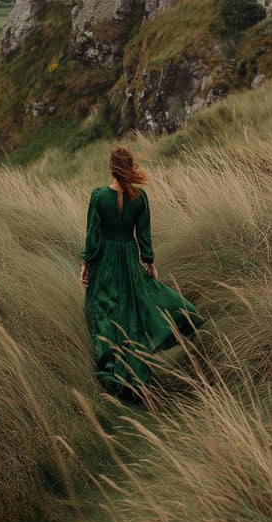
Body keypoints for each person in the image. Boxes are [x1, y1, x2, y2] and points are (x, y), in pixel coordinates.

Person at [78, 146, 200, 395]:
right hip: (129, 258)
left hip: (105, 261)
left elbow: (93, 236)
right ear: (130, 166)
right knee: (131, 312)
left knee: (106, 313)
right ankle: (135, 371)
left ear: (111, 168)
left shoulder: (98, 196)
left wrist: (86, 264)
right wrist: (150, 262)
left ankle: (113, 368)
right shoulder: (139, 198)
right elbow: (143, 235)